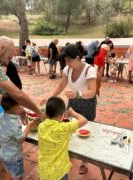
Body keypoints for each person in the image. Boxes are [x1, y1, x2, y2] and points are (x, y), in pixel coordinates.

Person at [42, 44, 96, 174]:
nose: (67, 63)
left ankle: (84, 161)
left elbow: (92, 91)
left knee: (84, 130)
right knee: (69, 127)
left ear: (78, 58)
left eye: (69, 60)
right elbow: (61, 85)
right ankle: (69, 152)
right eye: (66, 61)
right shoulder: (68, 69)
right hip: (73, 102)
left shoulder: (89, 70)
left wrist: (78, 94)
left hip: (87, 102)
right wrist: (50, 97)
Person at [0, 36, 43, 121]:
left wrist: (15, 108)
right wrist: (39, 112)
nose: (7, 62)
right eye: (8, 58)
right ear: (1, 48)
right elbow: (17, 94)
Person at [38, 97, 87, 180]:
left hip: (43, 171)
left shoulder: (41, 126)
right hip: (59, 173)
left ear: (45, 114)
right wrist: (73, 113)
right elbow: (84, 120)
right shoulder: (63, 128)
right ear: (62, 116)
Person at [0, 94, 38, 180]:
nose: (21, 107)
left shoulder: (2, 116)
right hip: (14, 157)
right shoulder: (14, 123)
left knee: (11, 172)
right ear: (15, 107)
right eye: (19, 105)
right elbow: (21, 139)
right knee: (18, 176)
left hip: (3, 154)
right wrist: (29, 126)